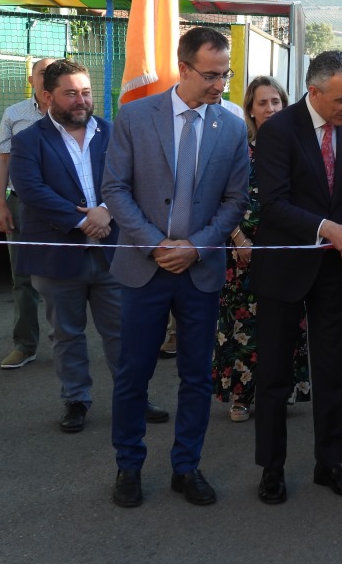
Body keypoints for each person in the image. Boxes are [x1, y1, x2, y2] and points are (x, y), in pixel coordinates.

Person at [104, 27, 250, 508]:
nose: (220, 85)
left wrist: (197, 246)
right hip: (144, 271)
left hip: (200, 271)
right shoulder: (134, 117)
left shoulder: (230, 126)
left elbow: (235, 201)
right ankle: (129, 465)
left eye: (225, 74)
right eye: (211, 75)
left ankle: (186, 467)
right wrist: (154, 243)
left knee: (196, 377)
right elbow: (115, 190)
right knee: (133, 373)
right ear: (183, 68)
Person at [10, 59, 168, 433]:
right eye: (70, 93)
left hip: (114, 252)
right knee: (66, 334)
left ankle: (133, 397)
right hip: (57, 255)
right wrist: (83, 219)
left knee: (123, 332)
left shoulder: (114, 134)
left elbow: (136, 180)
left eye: (85, 92)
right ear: (47, 96)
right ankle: (76, 400)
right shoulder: (28, 140)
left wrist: (106, 213)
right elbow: (32, 191)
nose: (80, 101)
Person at [251, 50, 342, 505]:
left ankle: (330, 463)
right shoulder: (279, 130)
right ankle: (272, 468)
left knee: (331, 371)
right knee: (275, 375)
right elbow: (274, 204)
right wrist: (328, 229)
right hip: (284, 266)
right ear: (315, 92)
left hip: (332, 270)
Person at [212, 76, 310, 423]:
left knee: (283, 324)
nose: (270, 109)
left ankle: (281, 391)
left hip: (284, 252)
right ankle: (240, 397)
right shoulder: (238, 148)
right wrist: (240, 240)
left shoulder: (297, 148)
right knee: (243, 327)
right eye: (262, 103)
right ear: (250, 111)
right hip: (242, 255)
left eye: (276, 102)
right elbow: (220, 197)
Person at [0, 56, 53, 369]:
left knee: (66, 276)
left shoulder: (72, 111)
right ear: (31, 80)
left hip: (62, 207)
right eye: (43, 73)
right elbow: (2, 160)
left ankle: (66, 344)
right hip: (22, 204)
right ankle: (25, 345)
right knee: (22, 277)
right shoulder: (15, 114)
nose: (49, 77)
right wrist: (1, 204)